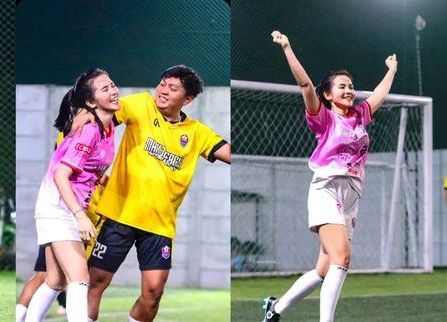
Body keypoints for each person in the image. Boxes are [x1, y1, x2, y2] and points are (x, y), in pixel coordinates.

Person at [73, 65, 231, 322]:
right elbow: (105, 115)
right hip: (119, 215)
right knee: (96, 282)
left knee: (153, 292)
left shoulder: (197, 133)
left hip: (159, 226)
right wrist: (86, 114)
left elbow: (229, 153)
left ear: (187, 99)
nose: (163, 90)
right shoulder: (141, 104)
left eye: (173, 88)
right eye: (162, 83)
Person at [261, 31, 397, 322]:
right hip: (327, 190)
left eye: (350, 86)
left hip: (351, 198)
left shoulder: (360, 115)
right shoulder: (323, 117)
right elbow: (304, 83)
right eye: (341, 87)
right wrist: (287, 47)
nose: (348, 90)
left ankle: (275, 310)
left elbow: (380, 94)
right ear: (327, 94)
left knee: (323, 270)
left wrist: (392, 70)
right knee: (342, 258)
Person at [24, 69, 119, 322]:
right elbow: (60, 175)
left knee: (55, 281)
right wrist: (80, 216)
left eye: (112, 85)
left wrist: (104, 180)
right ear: (89, 102)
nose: (113, 90)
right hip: (58, 207)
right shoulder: (89, 130)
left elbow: (89, 168)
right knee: (80, 278)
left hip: (60, 206)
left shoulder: (107, 128)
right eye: (104, 88)